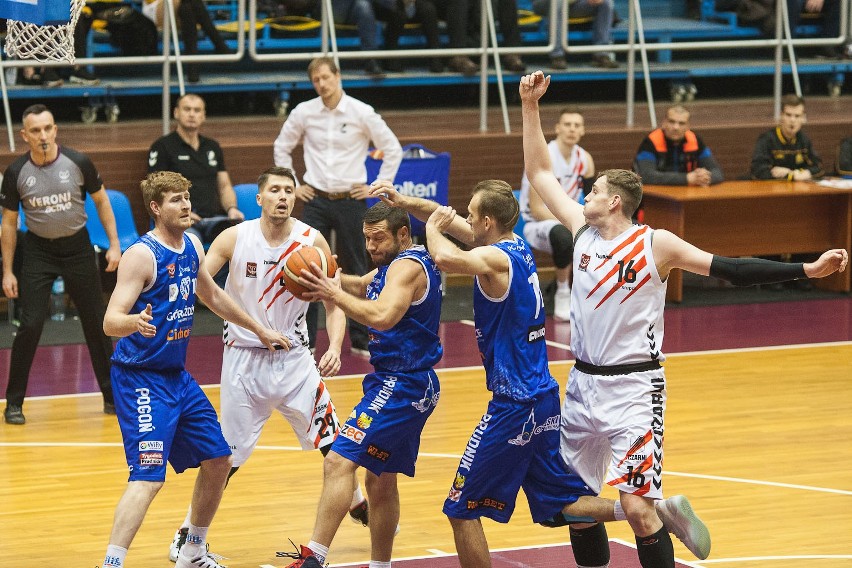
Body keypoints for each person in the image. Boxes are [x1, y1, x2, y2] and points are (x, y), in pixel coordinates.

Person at [521, 69, 848, 568]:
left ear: (615, 201)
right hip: (582, 384)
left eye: (593, 191)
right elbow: (540, 173)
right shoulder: (580, 233)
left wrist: (806, 268)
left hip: (635, 387)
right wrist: (529, 107)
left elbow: (731, 269)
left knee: (636, 507)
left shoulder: (655, 243)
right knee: (574, 506)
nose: (583, 195)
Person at [372, 178, 713, 567]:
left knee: (460, 509)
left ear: (486, 222)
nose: (463, 218)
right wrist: (407, 202)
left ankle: (646, 513)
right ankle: (652, 514)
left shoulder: (494, 259)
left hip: (514, 404)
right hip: (543, 397)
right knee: (563, 503)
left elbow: (448, 258)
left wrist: (430, 231)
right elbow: (452, 223)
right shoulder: (515, 246)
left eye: (470, 214)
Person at [164, 166, 370, 562]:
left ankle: (357, 500)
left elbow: (335, 302)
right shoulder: (235, 238)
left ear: (295, 198)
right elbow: (201, 288)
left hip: (296, 362)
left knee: (338, 444)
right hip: (244, 364)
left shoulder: (311, 242)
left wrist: (336, 345)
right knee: (225, 460)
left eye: (289, 191)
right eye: (274, 190)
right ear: (258, 198)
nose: (282, 197)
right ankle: (188, 533)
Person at [100, 171, 289, 568]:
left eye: (187, 197)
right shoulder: (141, 255)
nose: (185, 205)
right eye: (175, 200)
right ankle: (112, 563)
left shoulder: (192, 246)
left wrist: (259, 328)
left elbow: (213, 295)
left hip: (176, 377)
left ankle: (192, 552)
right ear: (155, 207)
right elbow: (110, 320)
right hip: (140, 379)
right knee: (149, 478)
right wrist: (135, 322)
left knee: (220, 460)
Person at [280, 201, 443, 568]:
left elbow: (383, 317)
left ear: (403, 234)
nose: (370, 246)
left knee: (338, 461)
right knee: (380, 480)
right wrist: (327, 274)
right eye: (367, 238)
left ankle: (313, 560)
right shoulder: (392, 265)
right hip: (404, 382)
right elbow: (358, 284)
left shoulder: (406, 268)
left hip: (404, 384)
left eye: (379, 238)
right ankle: (380, 565)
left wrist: (332, 295)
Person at [273, 56, 403, 357]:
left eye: (325, 78)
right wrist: (294, 183)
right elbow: (282, 146)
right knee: (307, 267)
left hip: (351, 199)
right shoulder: (304, 112)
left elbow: (393, 148)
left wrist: (378, 185)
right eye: (316, 80)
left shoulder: (361, 111)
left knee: (357, 266)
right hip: (316, 198)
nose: (321, 84)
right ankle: (306, 339)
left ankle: (360, 338)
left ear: (337, 76)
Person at [0, 104, 121, 425]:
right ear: (24, 135)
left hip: (78, 247)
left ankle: (112, 398)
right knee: (30, 325)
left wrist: (114, 245)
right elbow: (9, 224)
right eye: (35, 130)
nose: (43, 135)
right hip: (38, 251)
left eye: (47, 128)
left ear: (55, 130)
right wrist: (8, 270)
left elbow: (102, 202)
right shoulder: (15, 173)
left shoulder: (78, 162)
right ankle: (13, 404)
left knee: (97, 323)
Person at [519, 106, 594, 322]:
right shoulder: (544, 155)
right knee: (563, 235)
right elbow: (537, 209)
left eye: (577, 125)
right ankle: (563, 292)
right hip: (539, 224)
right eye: (567, 125)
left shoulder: (585, 159)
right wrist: (575, 223)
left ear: (583, 131)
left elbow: (591, 200)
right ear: (557, 128)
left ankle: (590, 293)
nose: (572, 129)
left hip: (570, 220)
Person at [149, 93, 245, 251]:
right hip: (181, 221)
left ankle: (219, 277)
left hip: (213, 219)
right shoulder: (163, 146)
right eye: (187, 109)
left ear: (203, 116)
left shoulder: (212, 147)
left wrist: (232, 208)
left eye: (197, 110)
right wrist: (181, 212)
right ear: (176, 113)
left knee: (238, 240)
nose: (192, 114)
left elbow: (224, 186)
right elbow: (154, 190)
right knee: (191, 246)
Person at [142, 0, 232, 82]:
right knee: (191, 4)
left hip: (179, 12)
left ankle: (193, 70)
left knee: (187, 9)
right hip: (155, 9)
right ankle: (221, 46)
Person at [634, 105, 724, 187]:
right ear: (664, 123)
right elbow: (646, 176)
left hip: (686, 195)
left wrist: (703, 177)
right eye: (671, 122)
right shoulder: (650, 142)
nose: (676, 127)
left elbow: (717, 173)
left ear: (688, 126)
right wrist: (687, 178)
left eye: (681, 123)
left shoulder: (695, 141)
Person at [750, 94, 824, 180]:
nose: (792, 120)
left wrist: (791, 174)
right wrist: (792, 175)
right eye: (788, 115)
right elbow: (758, 170)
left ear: (803, 118)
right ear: (781, 116)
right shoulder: (767, 139)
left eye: (797, 116)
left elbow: (819, 168)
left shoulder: (804, 140)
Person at [533, 0, 617, 69]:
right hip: (545, 3)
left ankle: (601, 54)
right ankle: (557, 56)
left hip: (575, 4)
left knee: (605, 3)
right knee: (557, 2)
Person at [330, 0, 403, 75]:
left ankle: (390, 58)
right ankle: (370, 60)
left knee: (395, 9)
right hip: (339, 6)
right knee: (364, 7)